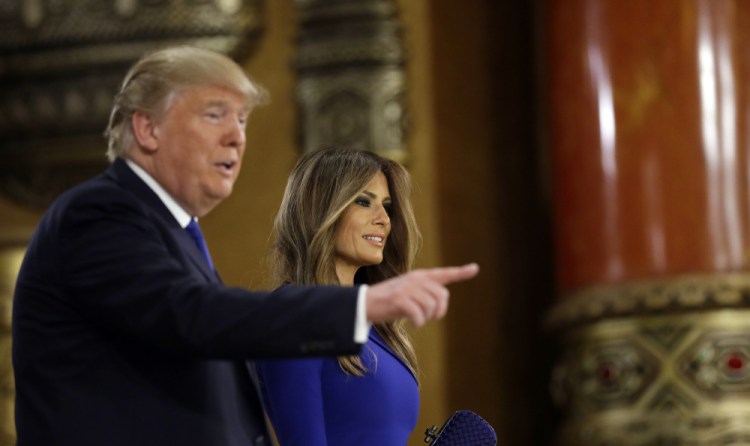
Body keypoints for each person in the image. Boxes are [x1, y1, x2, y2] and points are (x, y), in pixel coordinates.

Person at [11, 45, 479, 446]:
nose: (237, 136)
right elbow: (192, 314)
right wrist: (358, 307)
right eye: (215, 114)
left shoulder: (177, 236)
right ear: (147, 130)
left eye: (242, 119)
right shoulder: (98, 214)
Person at [256, 148, 424, 445]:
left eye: (386, 206)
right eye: (363, 201)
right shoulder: (295, 316)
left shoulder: (377, 325)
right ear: (320, 210)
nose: (384, 219)